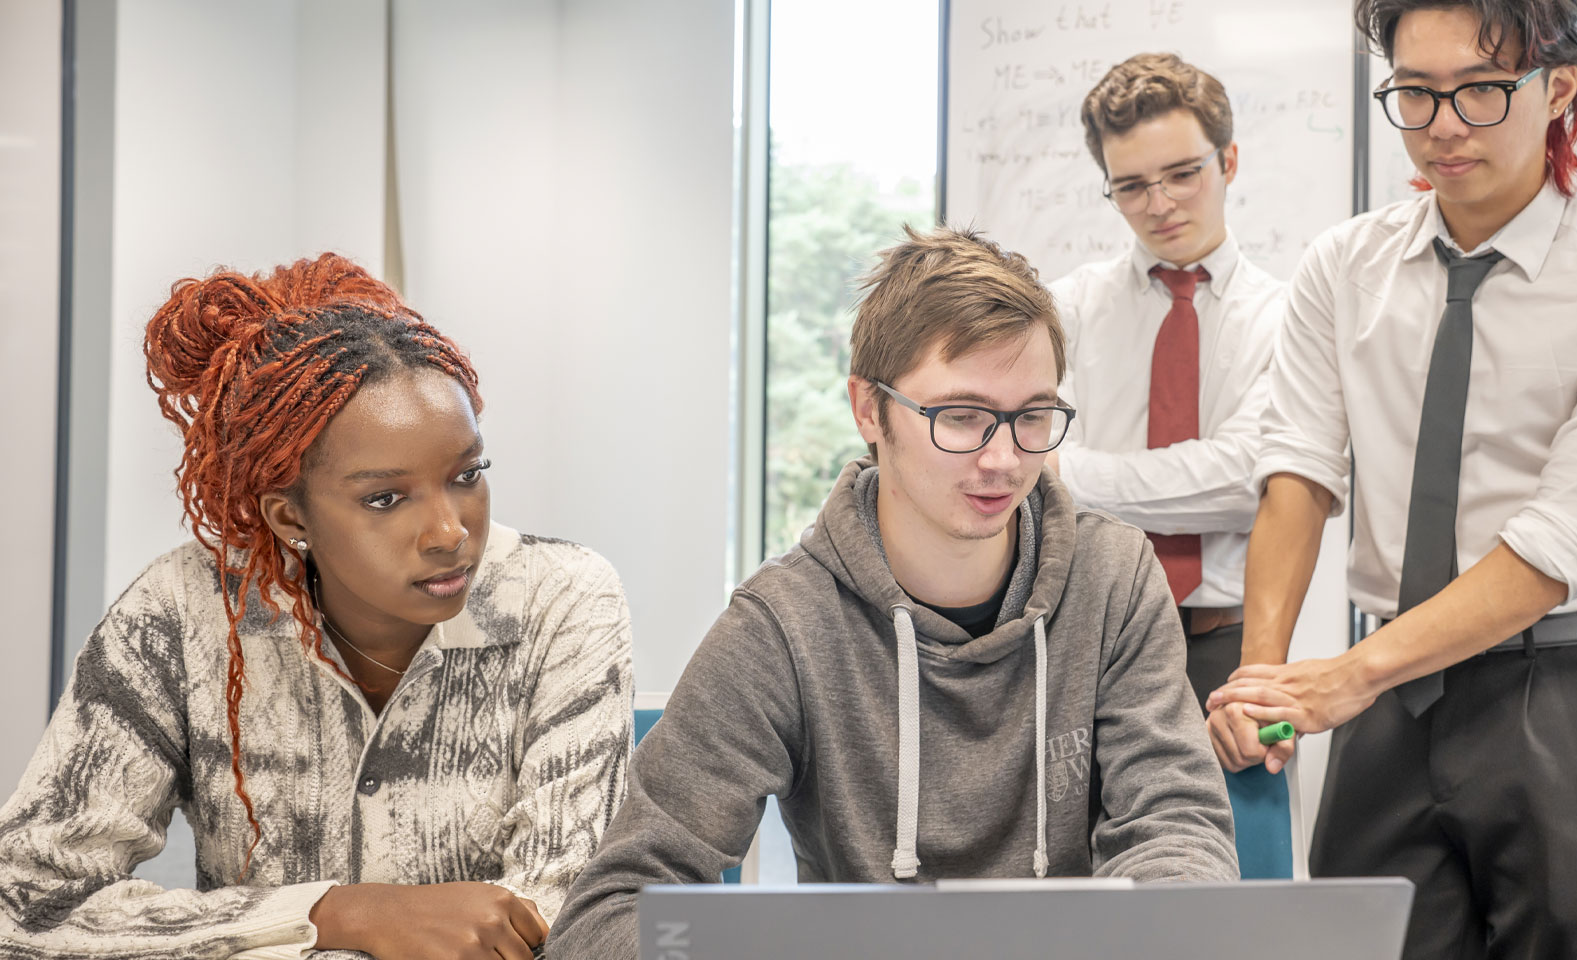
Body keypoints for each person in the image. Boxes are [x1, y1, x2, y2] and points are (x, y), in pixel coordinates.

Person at [549, 225, 1237, 958]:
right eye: (962, 417)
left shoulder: (1114, 578)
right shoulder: (781, 627)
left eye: (1032, 416)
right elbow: (611, 910)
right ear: (870, 411)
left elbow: (1177, 829)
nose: (1003, 460)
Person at [1209, 1, 1577, 957]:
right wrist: (1262, 682)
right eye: (1414, 93)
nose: (1443, 125)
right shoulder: (1344, 265)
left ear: (1559, 89)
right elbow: (1298, 470)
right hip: (1393, 701)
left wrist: (1348, 677)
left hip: (1570, 690)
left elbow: (1563, 543)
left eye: (1481, 91)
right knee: (1369, 941)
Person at [0, 255, 634, 960]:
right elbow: (23, 901)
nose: (451, 532)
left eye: (467, 476)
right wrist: (337, 914)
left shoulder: (562, 598)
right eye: (385, 498)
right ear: (288, 515)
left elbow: (569, 918)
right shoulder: (183, 612)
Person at [1049, 51, 1287, 730]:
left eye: (1183, 174)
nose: (1160, 205)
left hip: (1235, 650)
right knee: (1081, 837)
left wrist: (1070, 472)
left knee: (1246, 835)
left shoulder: (1290, 316)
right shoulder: (1064, 310)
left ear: (1228, 162)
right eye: (1130, 186)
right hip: (1089, 643)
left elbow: (1247, 481)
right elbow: (1030, 484)